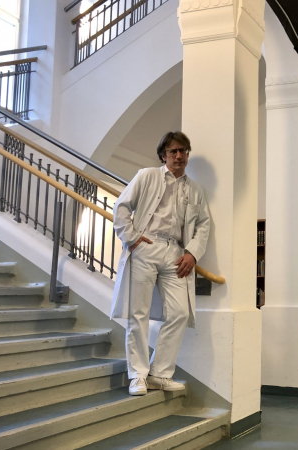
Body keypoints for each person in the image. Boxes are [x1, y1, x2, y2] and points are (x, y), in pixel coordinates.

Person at [112, 131, 210, 396]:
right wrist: (132, 238)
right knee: (138, 313)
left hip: (176, 252)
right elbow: (122, 207)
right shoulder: (147, 176)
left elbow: (203, 224)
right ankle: (137, 375)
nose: (179, 156)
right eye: (173, 151)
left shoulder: (195, 189)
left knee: (179, 313)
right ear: (163, 155)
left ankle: (160, 374)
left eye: (183, 151)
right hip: (146, 245)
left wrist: (192, 253)